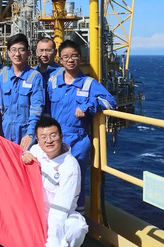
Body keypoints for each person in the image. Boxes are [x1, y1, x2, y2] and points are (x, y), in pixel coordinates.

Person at [4, 117, 88, 247]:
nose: (49, 141)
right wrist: (24, 155)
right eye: (43, 137)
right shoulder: (36, 150)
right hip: (36, 216)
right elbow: (22, 158)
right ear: (37, 139)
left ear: (61, 136)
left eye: (53, 136)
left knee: (76, 228)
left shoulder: (70, 167)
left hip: (60, 217)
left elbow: (59, 210)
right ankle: (41, 245)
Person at [47, 40, 116, 212]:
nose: (70, 60)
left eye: (74, 56)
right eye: (66, 57)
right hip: (54, 138)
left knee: (76, 180)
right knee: (53, 180)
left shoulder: (89, 84)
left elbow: (110, 102)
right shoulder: (53, 81)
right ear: (60, 60)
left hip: (78, 140)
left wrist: (88, 106)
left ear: (80, 57)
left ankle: (78, 217)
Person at [0, 34, 45, 151]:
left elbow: (36, 108)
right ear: (8, 53)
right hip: (5, 131)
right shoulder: (3, 76)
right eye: (13, 50)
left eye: (21, 50)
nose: (17, 54)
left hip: (25, 132)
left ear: (28, 53)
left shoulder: (35, 76)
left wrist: (30, 133)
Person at [34, 36, 60, 117]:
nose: (44, 54)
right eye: (41, 51)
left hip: (56, 120)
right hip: (35, 120)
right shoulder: (31, 74)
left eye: (48, 51)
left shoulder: (63, 74)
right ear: (36, 52)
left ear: (55, 52)